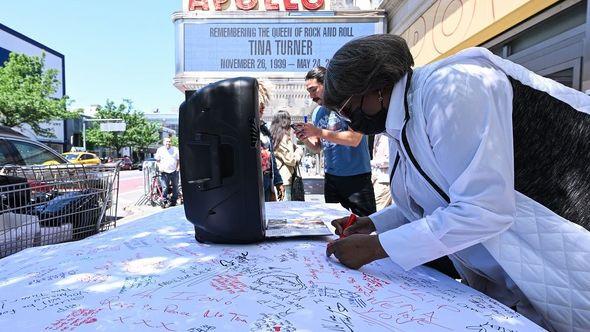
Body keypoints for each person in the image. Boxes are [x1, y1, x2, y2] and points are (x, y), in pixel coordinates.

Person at [323, 34, 590, 331]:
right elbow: (432, 199)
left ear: (377, 87)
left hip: (560, 263)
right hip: (509, 283)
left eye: (346, 109)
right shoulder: (402, 119)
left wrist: (376, 248)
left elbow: (483, 209)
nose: (349, 122)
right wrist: (375, 223)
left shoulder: (452, 88)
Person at [295, 66, 376, 216]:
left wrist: (318, 131)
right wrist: (305, 138)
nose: (311, 96)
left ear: (327, 83)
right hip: (331, 178)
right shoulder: (318, 112)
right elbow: (318, 147)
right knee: (333, 224)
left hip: (356, 178)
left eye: (314, 89)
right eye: (309, 91)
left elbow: (354, 139)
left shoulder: (350, 104)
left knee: (364, 225)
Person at [258, 81, 284, 201]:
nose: (263, 108)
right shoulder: (241, 129)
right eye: (260, 105)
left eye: (263, 105)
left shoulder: (264, 129)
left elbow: (271, 157)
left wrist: (278, 181)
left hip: (267, 182)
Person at [270, 110, 303, 201]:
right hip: (284, 180)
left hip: (277, 179)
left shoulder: (273, 137)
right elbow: (291, 160)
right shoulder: (283, 138)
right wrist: (299, 151)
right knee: (285, 207)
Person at [154, 136, 179, 207]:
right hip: (164, 171)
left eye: (169, 141)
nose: (168, 143)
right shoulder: (160, 150)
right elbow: (157, 160)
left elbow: (178, 160)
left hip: (174, 171)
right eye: (167, 141)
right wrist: (160, 167)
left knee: (175, 187)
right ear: (164, 142)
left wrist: (178, 168)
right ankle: (164, 201)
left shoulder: (175, 149)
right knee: (165, 187)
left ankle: (174, 201)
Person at [370, 133, 392, 211]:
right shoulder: (379, 134)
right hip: (379, 177)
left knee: (376, 212)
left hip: (385, 180)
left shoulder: (387, 136)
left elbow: (388, 160)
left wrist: (369, 163)